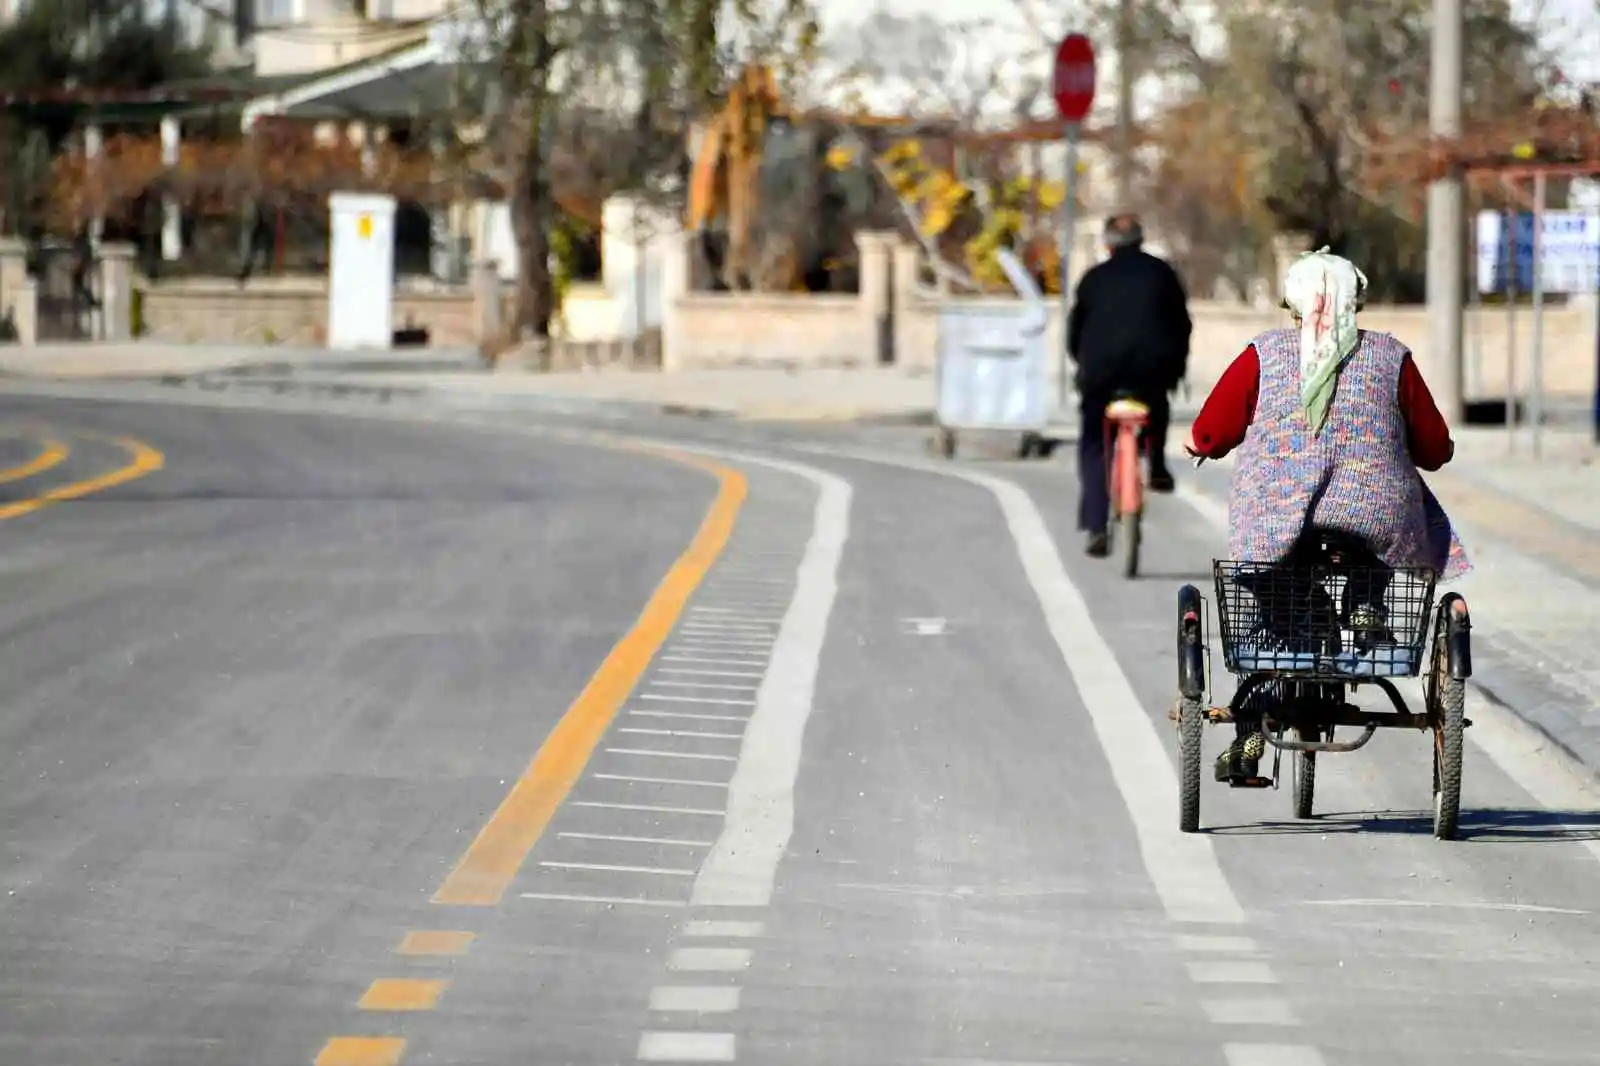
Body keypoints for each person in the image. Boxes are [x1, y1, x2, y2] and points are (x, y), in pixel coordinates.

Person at [1183, 247, 1471, 782]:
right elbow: (1432, 447)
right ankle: (1367, 606)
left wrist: (1202, 444)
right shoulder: (1390, 356)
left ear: (1292, 304)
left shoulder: (1264, 353)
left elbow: (1214, 429)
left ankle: (1253, 729)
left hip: (1278, 512)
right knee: (1387, 533)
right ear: (1355, 303)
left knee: (1275, 595)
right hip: (1373, 510)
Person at [1067, 213, 1193, 557]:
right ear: (1141, 241)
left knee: (1094, 443)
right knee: (1158, 405)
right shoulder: (1162, 274)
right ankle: (1157, 465)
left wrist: (1082, 365)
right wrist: (1177, 366)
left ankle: (1095, 524)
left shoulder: (1093, 278)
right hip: (1152, 372)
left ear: (1108, 244)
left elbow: (1074, 331)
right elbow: (1182, 325)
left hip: (1101, 377)